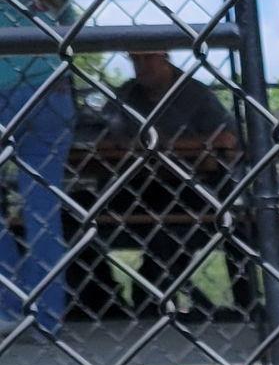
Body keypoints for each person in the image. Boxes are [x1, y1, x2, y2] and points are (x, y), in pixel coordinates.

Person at [95, 49, 241, 317]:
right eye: (135, 60)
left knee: (187, 218)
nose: (141, 66)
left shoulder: (194, 94)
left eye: (147, 58)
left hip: (191, 184)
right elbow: (102, 141)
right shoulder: (126, 95)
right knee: (78, 210)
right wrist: (141, 147)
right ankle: (103, 300)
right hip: (138, 186)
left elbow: (226, 141)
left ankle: (156, 296)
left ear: (165, 57)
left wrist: (165, 144)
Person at [0, 0, 76, 338]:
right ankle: (46, 316)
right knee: (43, 207)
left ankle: (8, 307)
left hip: (3, 81)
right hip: (51, 85)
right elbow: (67, 7)